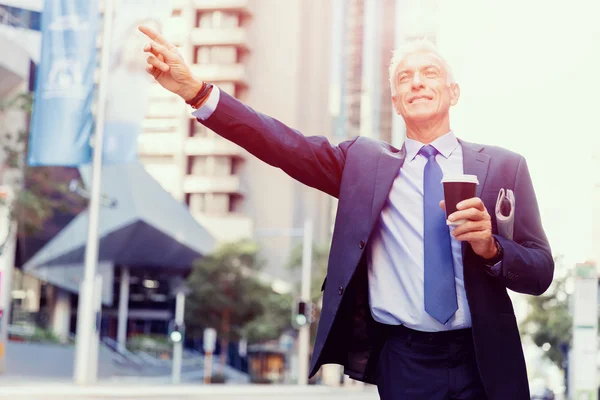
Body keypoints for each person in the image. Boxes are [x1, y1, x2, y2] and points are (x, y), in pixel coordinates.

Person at [139, 25, 554, 400]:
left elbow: (539, 271)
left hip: (484, 357)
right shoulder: (363, 164)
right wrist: (196, 91)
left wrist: (491, 248)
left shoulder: (504, 167)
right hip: (404, 361)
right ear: (395, 101)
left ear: (453, 92)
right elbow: (281, 143)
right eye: (405, 78)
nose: (417, 83)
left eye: (429, 73)